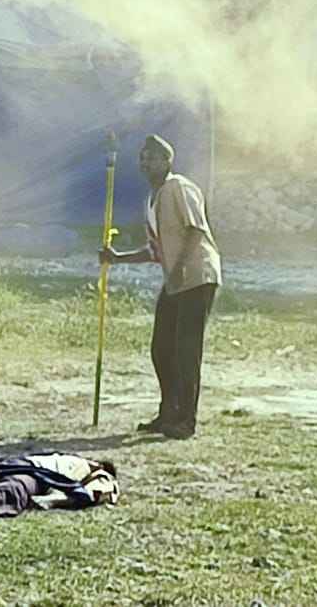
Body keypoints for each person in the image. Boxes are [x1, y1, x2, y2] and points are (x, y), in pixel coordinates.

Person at [101, 134, 223, 439]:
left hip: (197, 276)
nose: (146, 163)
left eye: (153, 158)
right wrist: (117, 259)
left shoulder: (179, 187)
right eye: (143, 158)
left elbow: (196, 230)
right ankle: (169, 411)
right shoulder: (152, 201)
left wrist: (180, 266)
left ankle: (186, 420)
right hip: (175, 279)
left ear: (167, 161)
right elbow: (156, 250)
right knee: (161, 348)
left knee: (186, 349)